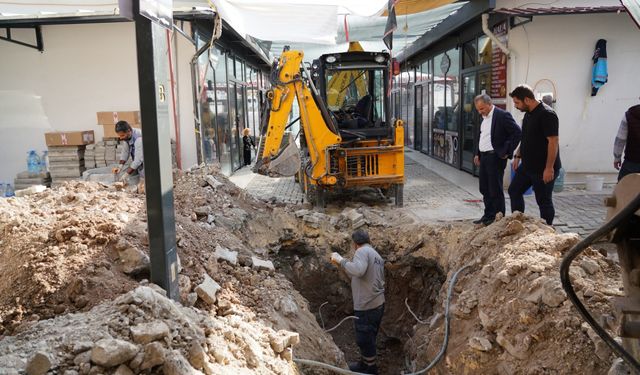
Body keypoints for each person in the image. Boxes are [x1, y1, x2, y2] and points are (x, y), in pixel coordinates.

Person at [330, 229, 385, 374]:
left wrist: (341, 260)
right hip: (377, 304)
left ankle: (370, 369)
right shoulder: (376, 255)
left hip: (367, 306)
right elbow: (363, 275)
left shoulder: (362, 252)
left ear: (355, 244)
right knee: (369, 337)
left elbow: (359, 270)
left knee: (364, 339)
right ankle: (364, 364)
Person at [508, 84, 561, 225]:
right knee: (514, 190)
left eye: (517, 102)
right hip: (527, 166)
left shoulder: (547, 114)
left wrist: (549, 168)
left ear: (527, 99)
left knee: (543, 201)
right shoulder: (528, 114)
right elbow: (525, 138)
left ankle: (547, 230)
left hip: (543, 168)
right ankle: (517, 223)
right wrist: (518, 156)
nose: (516, 106)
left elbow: (553, 142)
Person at [473, 94, 522, 226]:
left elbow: (517, 133)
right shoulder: (483, 117)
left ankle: (498, 217)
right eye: (478, 109)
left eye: (482, 108)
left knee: (495, 189)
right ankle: (488, 215)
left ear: (489, 104)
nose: (480, 112)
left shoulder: (502, 115)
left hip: (495, 157)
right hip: (484, 157)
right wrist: (478, 153)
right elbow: (482, 136)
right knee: (484, 188)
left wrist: (507, 151)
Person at [613, 101, 640, 181]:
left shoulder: (630, 114)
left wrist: (617, 157)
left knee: (623, 190)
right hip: (632, 160)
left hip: (632, 161)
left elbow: (620, 139)